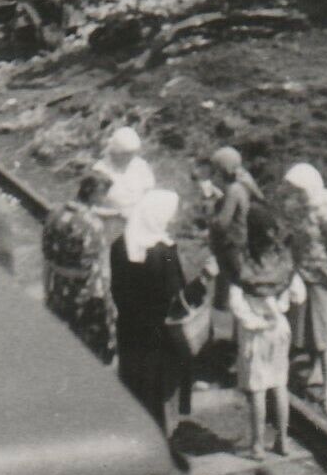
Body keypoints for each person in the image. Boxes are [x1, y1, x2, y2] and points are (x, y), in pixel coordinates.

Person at [110, 189, 212, 434]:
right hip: (160, 337)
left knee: (135, 387)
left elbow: (117, 290)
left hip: (130, 330)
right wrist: (204, 280)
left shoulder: (121, 244)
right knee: (161, 393)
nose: (172, 220)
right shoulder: (162, 253)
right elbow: (177, 302)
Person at [283, 163, 327, 416]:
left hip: (324, 277)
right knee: (308, 330)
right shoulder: (298, 207)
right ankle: (313, 372)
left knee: (325, 336)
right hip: (303, 273)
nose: (294, 194)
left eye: (297, 189)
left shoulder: (324, 208)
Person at [229, 204, 294, 459]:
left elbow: (236, 301)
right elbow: (295, 293)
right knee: (279, 384)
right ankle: (283, 440)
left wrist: (253, 320)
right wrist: (278, 307)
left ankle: (257, 445)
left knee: (257, 388)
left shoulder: (243, 261)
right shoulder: (282, 259)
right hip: (279, 329)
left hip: (255, 332)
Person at [41, 172, 116, 364]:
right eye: (104, 194)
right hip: (83, 295)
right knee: (87, 345)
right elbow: (97, 267)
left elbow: (46, 258)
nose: (105, 198)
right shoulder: (93, 225)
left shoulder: (55, 212)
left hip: (57, 287)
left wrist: (46, 290)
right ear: (94, 194)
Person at [206, 146, 266, 311]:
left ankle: (228, 324)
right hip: (242, 239)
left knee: (230, 291)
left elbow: (222, 223)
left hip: (231, 243)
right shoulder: (245, 182)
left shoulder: (233, 189)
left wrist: (210, 204)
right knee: (238, 286)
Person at [95, 126, 156, 224]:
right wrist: (116, 214)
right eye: (126, 153)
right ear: (115, 152)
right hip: (109, 221)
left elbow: (149, 194)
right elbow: (92, 207)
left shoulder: (140, 165)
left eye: (132, 153)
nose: (130, 157)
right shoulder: (101, 170)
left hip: (138, 220)